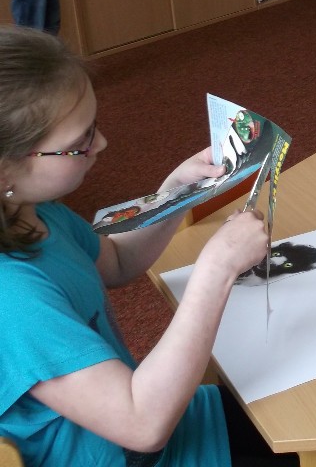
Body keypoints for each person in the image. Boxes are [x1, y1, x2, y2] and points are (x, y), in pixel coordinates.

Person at [0, 25, 298, 465]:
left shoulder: (32, 215)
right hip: (131, 445)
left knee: (299, 405)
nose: (101, 143)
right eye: (79, 143)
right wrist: (216, 270)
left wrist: (175, 193)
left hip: (152, 419)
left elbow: (118, 261)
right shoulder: (13, 299)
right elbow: (143, 426)